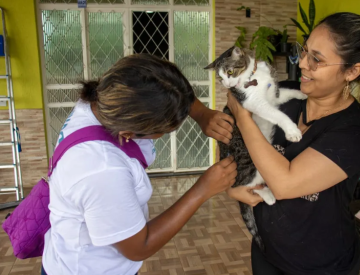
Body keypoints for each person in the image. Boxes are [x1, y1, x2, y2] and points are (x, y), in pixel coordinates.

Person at [226, 12, 360, 275]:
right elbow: (232, 135)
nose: (302, 63)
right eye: (304, 51)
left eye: (317, 60)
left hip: (320, 265)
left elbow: (285, 183)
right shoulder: (286, 94)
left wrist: (243, 116)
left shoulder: (357, 130)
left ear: (352, 71)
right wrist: (234, 186)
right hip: (266, 251)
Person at [41, 54, 237, 275]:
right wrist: (202, 190)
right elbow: (138, 248)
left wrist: (202, 114)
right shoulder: (102, 169)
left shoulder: (108, 99)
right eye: (166, 130)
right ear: (128, 133)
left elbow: (164, 86)